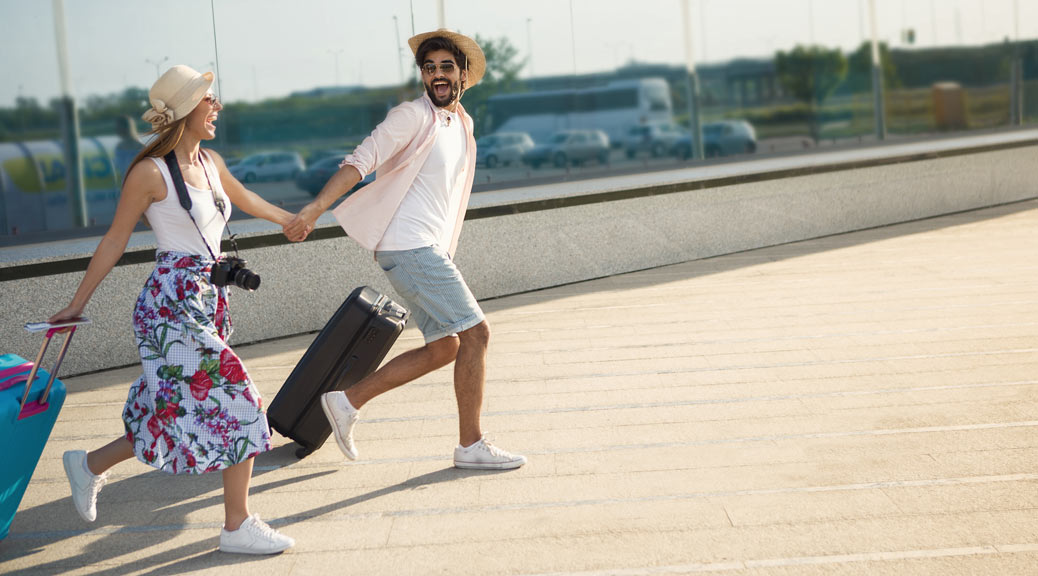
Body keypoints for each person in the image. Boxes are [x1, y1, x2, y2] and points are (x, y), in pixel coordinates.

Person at [48, 65, 303, 555]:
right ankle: (237, 526)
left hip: (207, 297)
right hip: (170, 305)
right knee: (239, 398)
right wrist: (76, 304)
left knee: (166, 407)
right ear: (185, 110)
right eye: (210, 100)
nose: (217, 107)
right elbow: (116, 239)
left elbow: (242, 197)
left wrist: (289, 218)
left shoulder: (210, 163)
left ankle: (87, 465)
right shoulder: (151, 172)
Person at [284, 30, 526, 471]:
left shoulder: (461, 124)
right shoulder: (410, 116)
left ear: (463, 76)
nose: (436, 75)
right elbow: (360, 161)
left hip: (425, 248)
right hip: (408, 245)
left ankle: (346, 401)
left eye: (445, 67)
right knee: (478, 334)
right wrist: (316, 207)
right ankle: (471, 445)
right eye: (429, 67)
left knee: (445, 347)